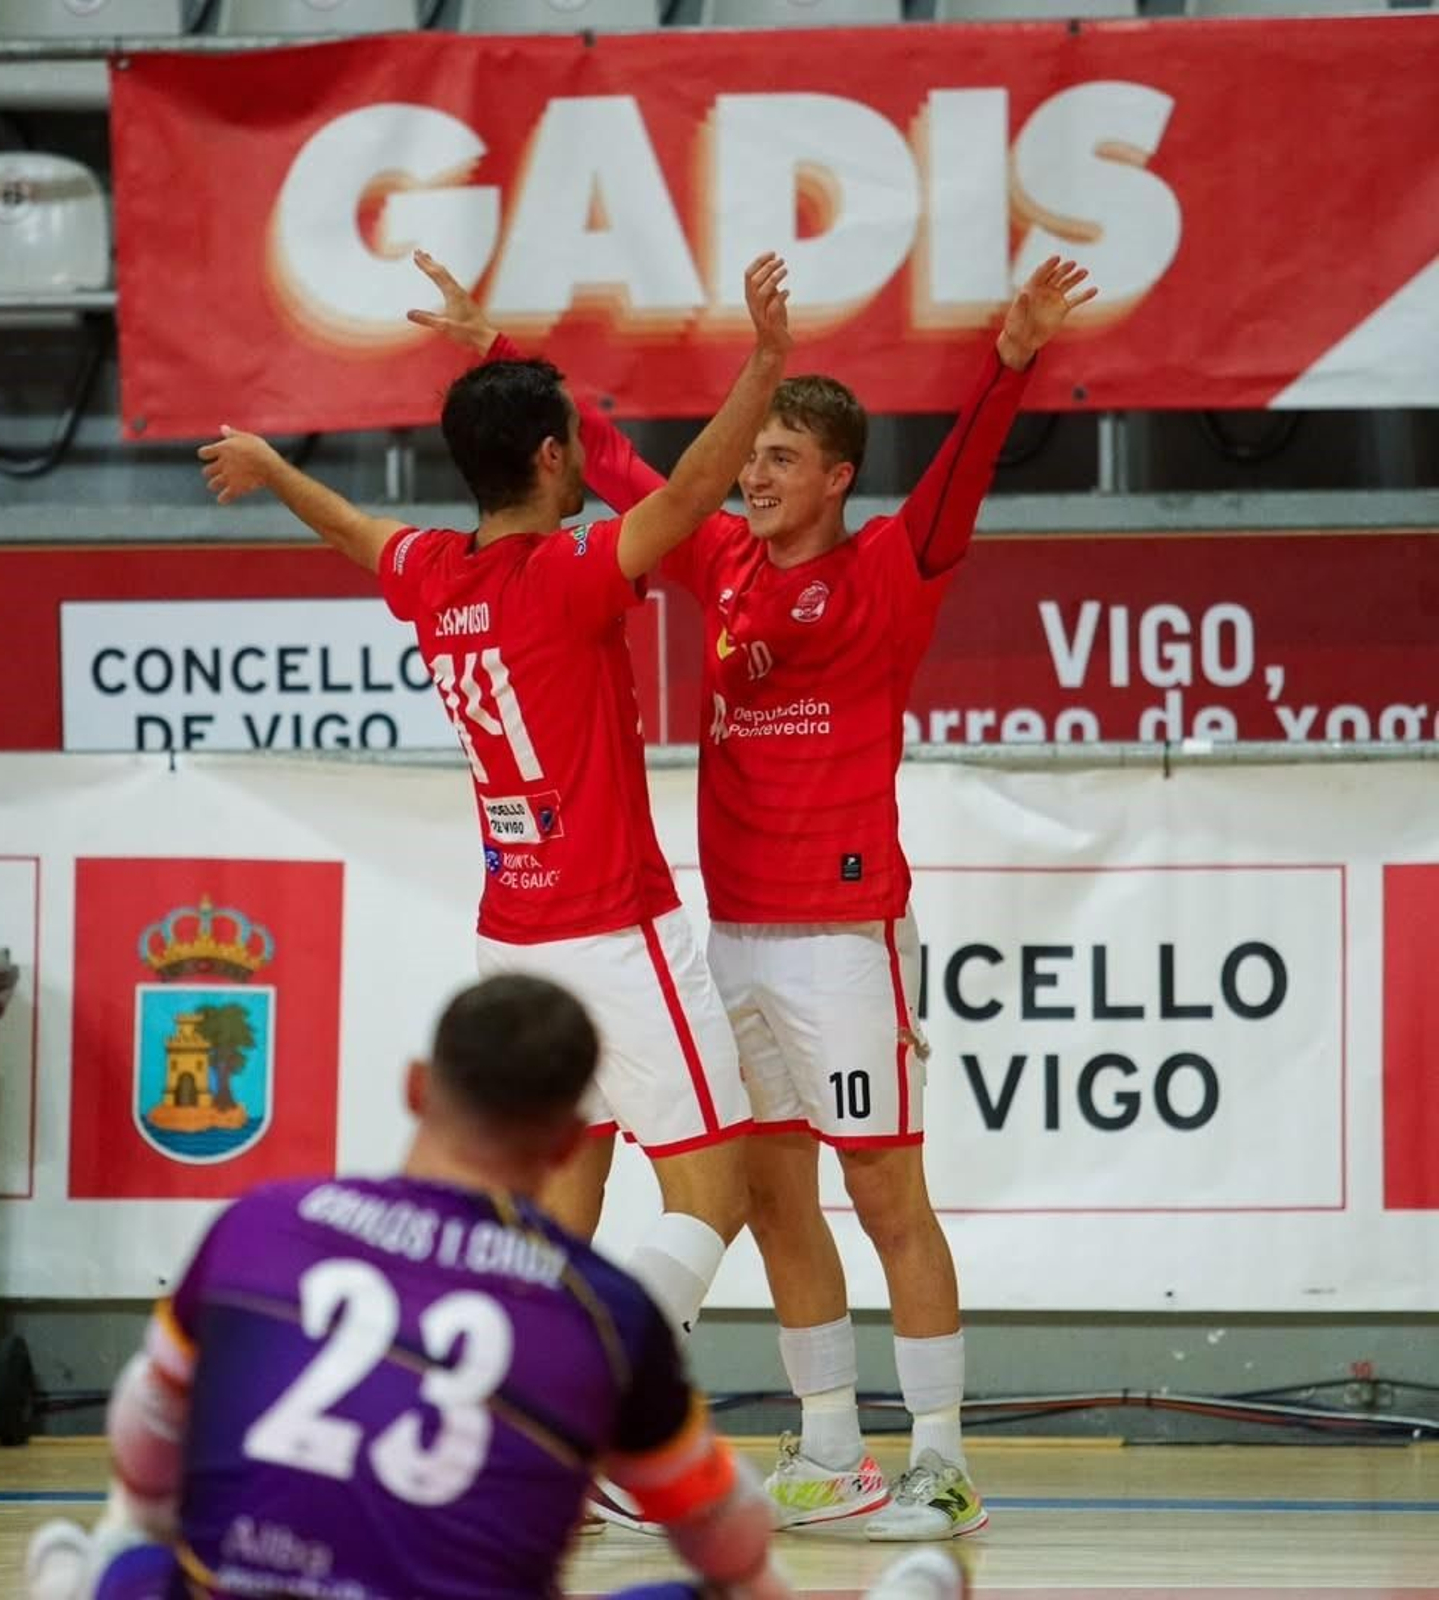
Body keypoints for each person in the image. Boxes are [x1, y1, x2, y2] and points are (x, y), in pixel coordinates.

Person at [405, 251, 1096, 1541]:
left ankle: (939, 1458)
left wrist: (1008, 360)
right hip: (734, 932)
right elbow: (602, 461)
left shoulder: (894, 565)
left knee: (888, 1194)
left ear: (837, 476)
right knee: (775, 1197)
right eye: (753, 454)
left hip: (845, 934)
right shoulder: (717, 558)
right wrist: (489, 347)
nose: (756, 474)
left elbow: (958, 478)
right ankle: (829, 1448)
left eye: (782, 457)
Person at [195, 254, 794, 1343]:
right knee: (717, 1195)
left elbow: (347, 527)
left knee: (561, 1206)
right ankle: (598, 1402)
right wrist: (765, 363)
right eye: (571, 440)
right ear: (554, 457)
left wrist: (276, 468)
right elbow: (697, 494)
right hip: (612, 925)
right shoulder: (565, 576)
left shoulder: (432, 572)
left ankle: (518, 1424)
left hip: (511, 939)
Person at [25, 974, 794, 1600]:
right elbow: (725, 1531)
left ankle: (80, 1576)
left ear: (417, 1088)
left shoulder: (259, 1227)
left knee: (134, 1561)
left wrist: (142, 1527)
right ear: (568, 1142)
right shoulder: (604, 1309)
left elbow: (145, 1424)